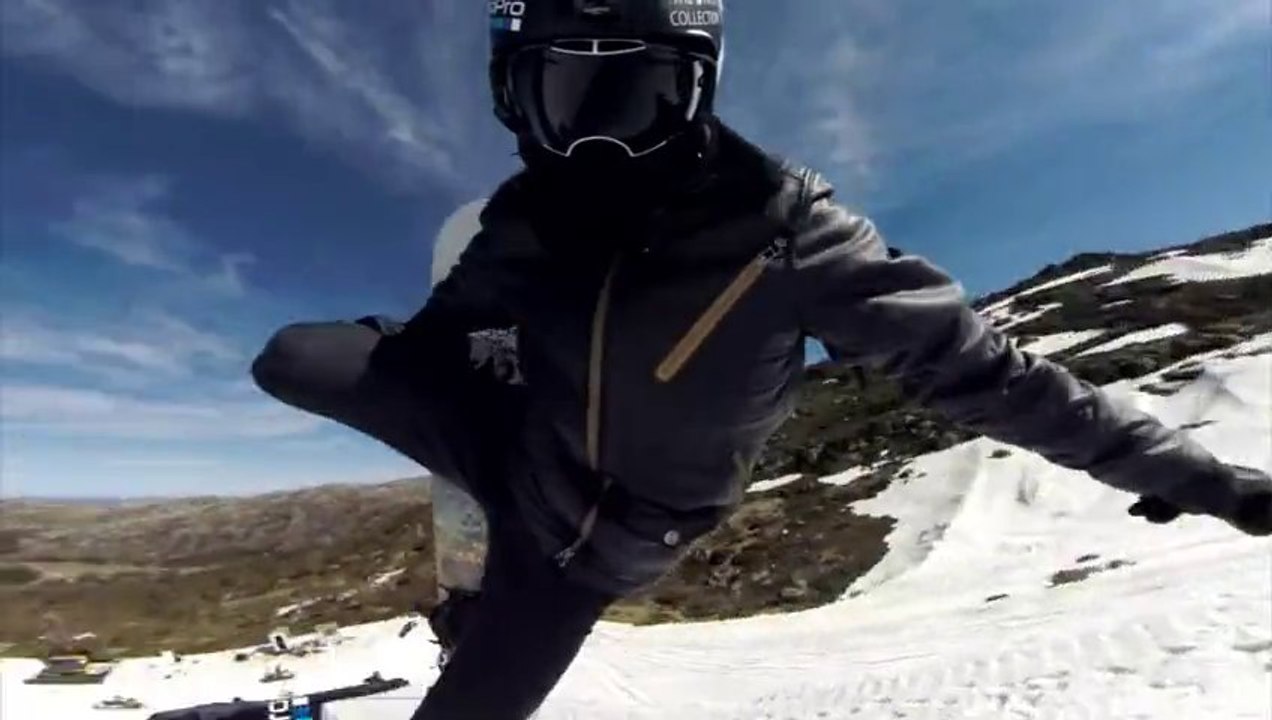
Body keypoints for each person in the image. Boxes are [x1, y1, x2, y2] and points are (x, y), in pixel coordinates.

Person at [250, 1, 1272, 717]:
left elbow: (993, 377)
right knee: (290, 358)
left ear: (696, 93)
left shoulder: (786, 232)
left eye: (638, 102)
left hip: (585, 550)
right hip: (513, 440)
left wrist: (1201, 479)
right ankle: (502, 418)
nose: (603, 147)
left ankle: (490, 586)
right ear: (518, 104)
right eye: (573, 104)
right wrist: (436, 365)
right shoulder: (527, 213)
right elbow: (453, 319)